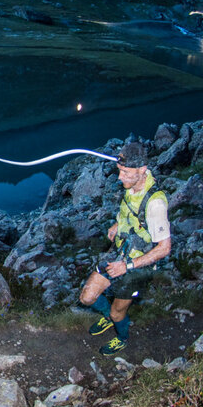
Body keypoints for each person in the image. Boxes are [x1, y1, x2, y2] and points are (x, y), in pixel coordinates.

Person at [78, 141, 171, 356]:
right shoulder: (132, 187)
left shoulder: (155, 203)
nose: (120, 178)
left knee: (118, 313)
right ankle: (108, 317)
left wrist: (127, 265)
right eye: (120, 171)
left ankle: (122, 337)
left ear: (142, 170)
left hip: (136, 268)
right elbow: (132, 214)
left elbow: (164, 248)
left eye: (126, 173)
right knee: (87, 297)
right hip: (120, 251)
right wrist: (118, 224)